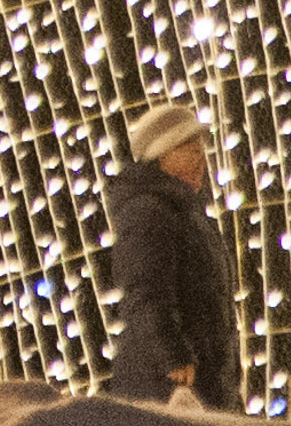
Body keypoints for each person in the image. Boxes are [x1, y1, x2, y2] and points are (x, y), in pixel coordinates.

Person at [101, 95, 241, 407]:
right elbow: (145, 292)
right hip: (167, 384)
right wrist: (173, 356)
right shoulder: (149, 213)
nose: (200, 161)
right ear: (163, 155)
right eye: (191, 151)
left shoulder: (189, 214)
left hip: (201, 378)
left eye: (202, 152)